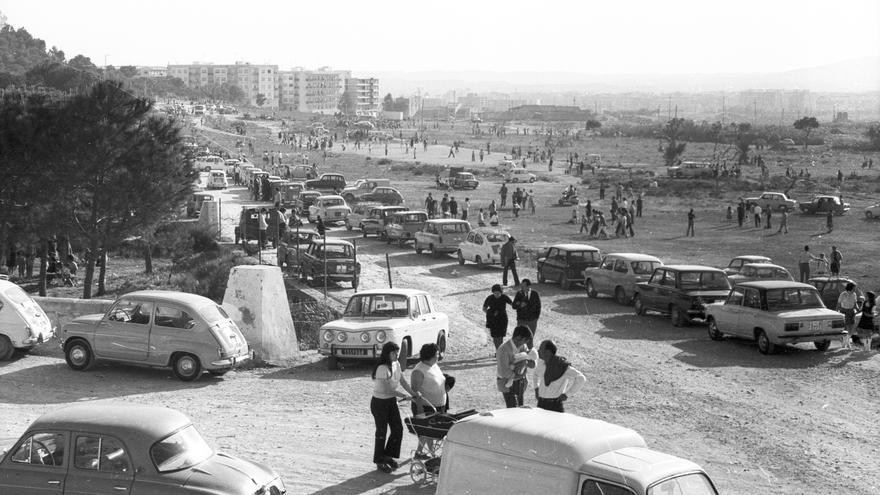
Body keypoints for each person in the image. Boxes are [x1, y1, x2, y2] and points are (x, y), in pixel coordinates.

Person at [370, 342, 419, 473]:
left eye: (397, 352)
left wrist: (413, 393)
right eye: (393, 352)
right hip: (379, 403)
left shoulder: (396, 364)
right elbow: (387, 390)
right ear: (387, 354)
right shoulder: (382, 368)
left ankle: (388, 456)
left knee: (398, 429)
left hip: (391, 402)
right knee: (381, 432)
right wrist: (405, 396)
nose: (396, 355)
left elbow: (402, 381)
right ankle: (379, 460)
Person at [410, 343, 447, 458]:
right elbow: (415, 393)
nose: (439, 356)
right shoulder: (419, 371)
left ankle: (423, 453)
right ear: (430, 355)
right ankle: (428, 454)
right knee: (427, 431)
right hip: (425, 407)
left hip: (438, 405)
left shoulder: (434, 365)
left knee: (428, 432)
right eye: (436, 354)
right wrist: (420, 410)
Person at [532, 340, 586, 413]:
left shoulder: (562, 366)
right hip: (541, 403)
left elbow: (581, 378)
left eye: (541, 349)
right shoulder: (541, 363)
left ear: (547, 352)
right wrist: (536, 389)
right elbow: (535, 374)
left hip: (555, 406)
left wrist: (567, 394)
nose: (538, 351)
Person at [496, 325, 537, 408]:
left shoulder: (523, 346)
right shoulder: (503, 349)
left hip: (519, 382)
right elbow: (504, 372)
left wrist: (524, 362)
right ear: (518, 338)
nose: (525, 344)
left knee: (520, 408)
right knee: (513, 408)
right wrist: (520, 376)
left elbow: (532, 364)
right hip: (506, 381)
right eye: (525, 340)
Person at [483, 284, 513, 349]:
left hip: (502, 319)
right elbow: (484, 308)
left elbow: (512, 304)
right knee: (495, 336)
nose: (496, 294)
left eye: (498, 293)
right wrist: (491, 314)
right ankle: (498, 350)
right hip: (493, 320)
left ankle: (500, 350)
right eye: (495, 293)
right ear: (493, 292)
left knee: (500, 336)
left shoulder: (504, 297)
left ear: (501, 292)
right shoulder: (489, 298)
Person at [513, 279, 541, 345]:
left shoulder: (535, 294)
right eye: (521, 286)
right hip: (521, 320)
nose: (521, 288)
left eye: (523, 286)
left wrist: (536, 318)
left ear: (528, 286)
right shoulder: (519, 293)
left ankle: (529, 354)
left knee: (529, 340)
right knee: (519, 339)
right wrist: (520, 305)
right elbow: (514, 305)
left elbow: (538, 307)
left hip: (532, 321)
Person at [837, 282, 859, 349]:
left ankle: (846, 342)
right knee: (846, 328)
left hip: (851, 312)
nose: (855, 289)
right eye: (854, 288)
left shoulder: (854, 294)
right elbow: (839, 303)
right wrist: (837, 311)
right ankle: (846, 343)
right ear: (851, 288)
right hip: (844, 311)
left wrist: (857, 308)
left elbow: (855, 303)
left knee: (851, 328)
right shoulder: (843, 294)